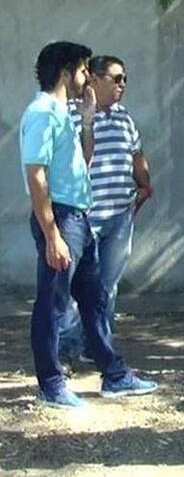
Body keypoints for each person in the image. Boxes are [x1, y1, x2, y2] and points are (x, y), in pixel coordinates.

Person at [19, 41, 158, 408]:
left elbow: (83, 161)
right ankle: (51, 384)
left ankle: (114, 375)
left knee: (95, 300)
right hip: (62, 219)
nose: (86, 77)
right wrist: (52, 235)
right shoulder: (43, 112)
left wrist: (87, 120)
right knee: (53, 303)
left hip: (78, 216)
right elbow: (36, 176)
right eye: (83, 70)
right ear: (67, 71)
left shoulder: (66, 113)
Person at [59, 55, 152, 362]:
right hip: (86, 218)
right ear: (95, 80)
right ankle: (70, 345)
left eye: (125, 78)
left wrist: (144, 186)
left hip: (120, 217)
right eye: (116, 78)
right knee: (77, 287)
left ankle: (99, 345)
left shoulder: (124, 117)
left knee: (107, 287)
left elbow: (136, 154)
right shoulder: (72, 115)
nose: (122, 85)